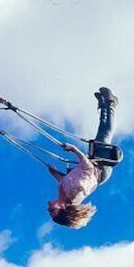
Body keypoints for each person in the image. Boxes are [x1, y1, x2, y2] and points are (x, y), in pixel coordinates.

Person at [47, 87, 120, 228]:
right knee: (105, 134)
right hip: (99, 169)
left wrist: (54, 173)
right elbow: (87, 169)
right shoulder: (74, 193)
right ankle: (111, 104)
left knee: (101, 133)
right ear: (62, 209)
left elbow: (64, 180)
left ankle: (104, 105)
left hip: (93, 169)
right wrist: (74, 150)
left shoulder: (64, 196)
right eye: (52, 211)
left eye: (49, 211)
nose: (49, 209)